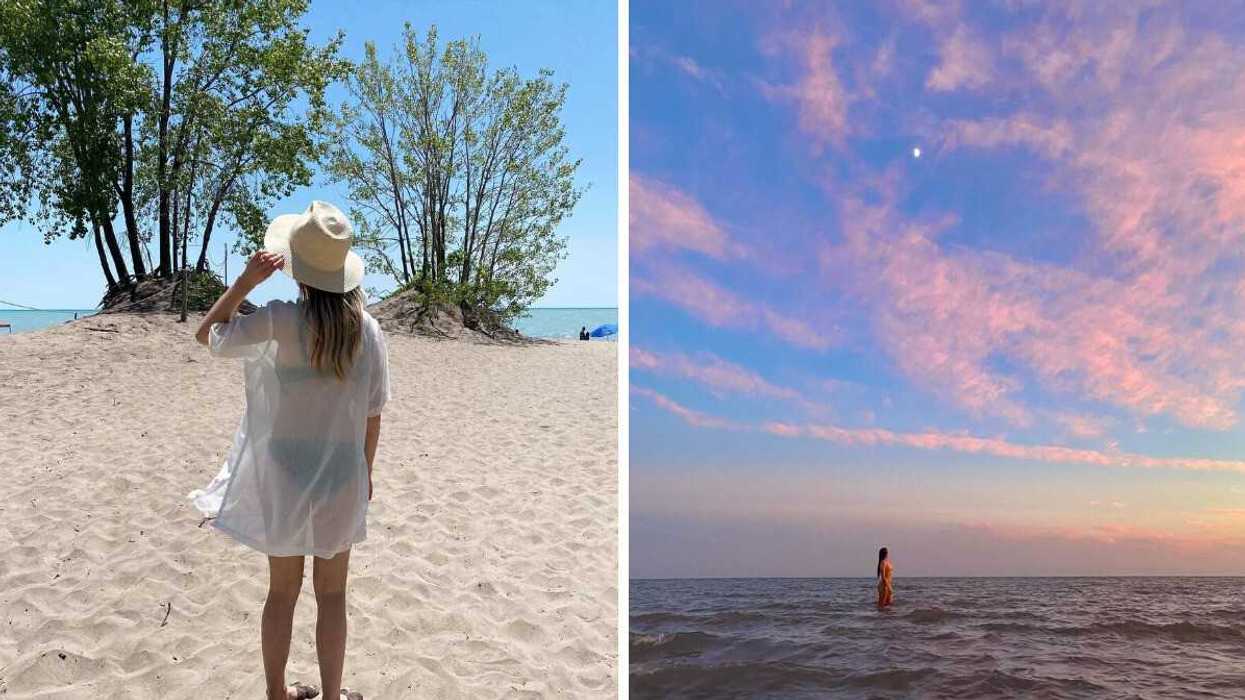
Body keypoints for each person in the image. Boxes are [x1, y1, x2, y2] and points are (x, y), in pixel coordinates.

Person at [190, 201, 389, 700]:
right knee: (333, 594)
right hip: (341, 475)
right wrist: (365, 472)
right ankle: (333, 694)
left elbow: (207, 335)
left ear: (297, 271)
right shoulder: (367, 330)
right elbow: (373, 414)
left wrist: (244, 283)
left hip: (284, 473)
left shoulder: (280, 319)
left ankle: (277, 693)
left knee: (281, 592)